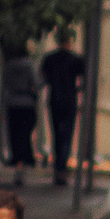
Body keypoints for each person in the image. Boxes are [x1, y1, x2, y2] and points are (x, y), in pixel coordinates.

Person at [38, 35, 86, 186]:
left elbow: (43, 77)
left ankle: (58, 168)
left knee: (56, 135)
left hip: (54, 99)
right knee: (67, 135)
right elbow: (84, 78)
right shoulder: (75, 59)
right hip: (69, 100)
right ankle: (61, 169)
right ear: (70, 41)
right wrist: (77, 89)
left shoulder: (49, 58)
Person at [0, 53, 40, 186]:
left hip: (12, 103)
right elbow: (36, 83)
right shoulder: (29, 65)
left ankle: (18, 163)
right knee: (25, 134)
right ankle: (23, 163)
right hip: (27, 103)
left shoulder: (8, 66)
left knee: (15, 135)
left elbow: (3, 86)